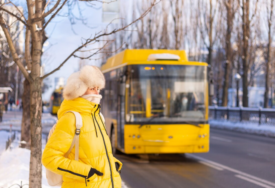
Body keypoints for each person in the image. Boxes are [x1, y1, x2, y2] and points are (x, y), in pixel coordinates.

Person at [42, 65, 122, 188]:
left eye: (98, 89)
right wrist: (86, 172)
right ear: (79, 90)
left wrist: (113, 164)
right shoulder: (71, 119)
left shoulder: (97, 117)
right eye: (92, 88)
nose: (97, 93)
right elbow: (50, 158)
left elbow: (95, 155)